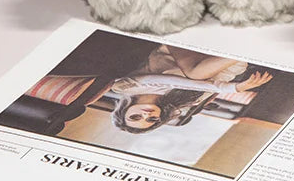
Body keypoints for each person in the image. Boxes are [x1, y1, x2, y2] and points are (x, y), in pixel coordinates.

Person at [108, 45, 273, 133]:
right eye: (152, 120)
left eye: (135, 117)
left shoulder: (123, 87)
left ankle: (249, 47)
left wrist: (234, 88)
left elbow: (173, 82)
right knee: (199, 74)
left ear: (124, 110)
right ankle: (246, 49)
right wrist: (234, 64)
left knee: (195, 74)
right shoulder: (184, 101)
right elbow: (223, 76)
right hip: (216, 57)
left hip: (177, 49)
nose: (146, 115)